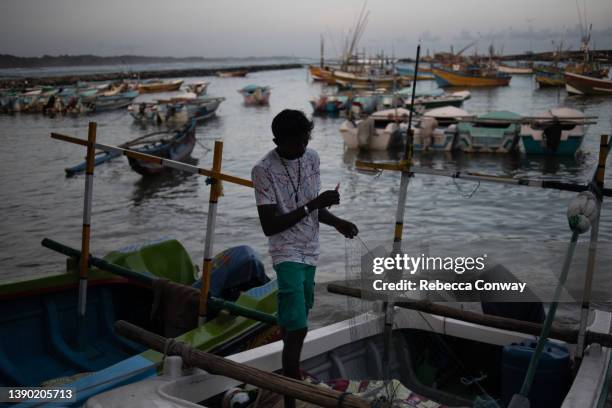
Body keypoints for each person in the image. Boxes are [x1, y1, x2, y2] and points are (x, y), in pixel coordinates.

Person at [252, 109, 358, 408]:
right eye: (296, 142)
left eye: (305, 139)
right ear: (278, 140)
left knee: (295, 322)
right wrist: (315, 203)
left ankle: (289, 373)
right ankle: (290, 396)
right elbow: (269, 226)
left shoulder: (312, 158)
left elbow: (314, 209)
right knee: (298, 326)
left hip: (311, 250)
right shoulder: (263, 170)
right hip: (285, 251)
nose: (302, 146)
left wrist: (337, 221)